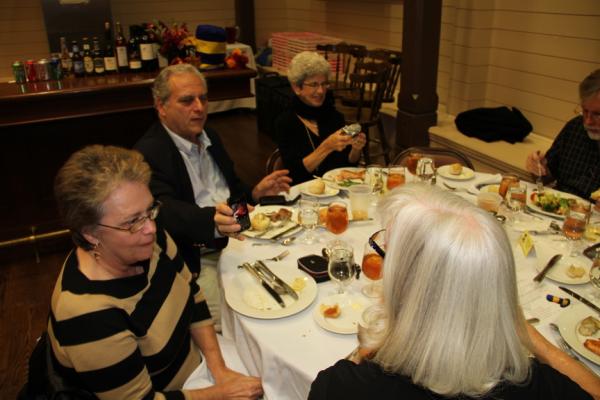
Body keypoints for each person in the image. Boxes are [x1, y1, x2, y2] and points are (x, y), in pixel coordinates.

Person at [309, 184, 600, 400]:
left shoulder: (343, 388)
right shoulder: (534, 385)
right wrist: (527, 334)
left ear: (405, 286)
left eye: (390, 252)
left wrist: (382, 336)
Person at [47, 145, 263, 400]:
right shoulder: (87, 315)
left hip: (196, 362)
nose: (150, 227)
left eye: (150, 210)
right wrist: (220, 393)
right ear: (91, 234)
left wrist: (219, 369)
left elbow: (192, 295)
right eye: (132, 221)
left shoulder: (147, 238)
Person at [134, 64, 291, 329]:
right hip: (199, 256)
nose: (199, 107)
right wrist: (214, 223)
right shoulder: (149, 153)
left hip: (238, 239)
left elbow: (231, 192)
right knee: (233, 325)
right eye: (187, 100)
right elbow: (164, 212)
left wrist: (254, 193)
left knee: (286, 292)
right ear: (161, 106)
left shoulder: (210, 137)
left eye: (203, 98)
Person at [274, 51, 367, 184]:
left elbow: (347, 164)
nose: (321, 91)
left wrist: (356, 149)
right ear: (297, 88)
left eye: (324, 84)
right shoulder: (285, 123)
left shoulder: (334, 116)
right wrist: (327, 146)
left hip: (336, 188)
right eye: (314, 85)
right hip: (304, 191)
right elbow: (295, 173)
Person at [525, 69, 600, 199]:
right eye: (585, 111)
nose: (588, 121)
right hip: (559, 205)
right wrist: (538, 168)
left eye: (598, 114)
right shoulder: (574, 128)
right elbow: (546, 178)